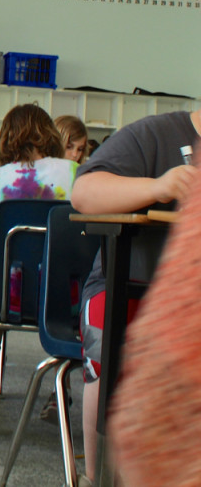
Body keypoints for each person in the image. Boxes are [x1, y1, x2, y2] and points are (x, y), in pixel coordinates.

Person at [69, 108, 199, 483]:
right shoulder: (155, 134)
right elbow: (84, 192)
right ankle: (98, 477)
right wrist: (160, 186)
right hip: (124, 286)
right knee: (107, 343)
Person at [0, 104, 77, 410]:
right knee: (69, 320)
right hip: (62, 297)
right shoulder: (75, 175)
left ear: (8, 138)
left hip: (8, 297)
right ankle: (60, 390)